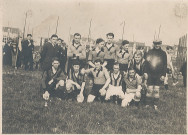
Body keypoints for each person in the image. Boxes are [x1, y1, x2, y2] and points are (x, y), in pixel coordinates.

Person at [144, 39, 167, 111]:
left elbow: (165, 65)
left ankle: (155, 104)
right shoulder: (150, 52)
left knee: (156, 90)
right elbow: (146, 63)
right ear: (153, 44)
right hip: (150, 73)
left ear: (161, 44)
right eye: (156, 44)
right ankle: (147, 104)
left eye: (158, 44)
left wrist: (163, 75)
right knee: (149, 89)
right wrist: (145, 72)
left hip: (159, 74)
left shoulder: (163, 53)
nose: (157, 45)